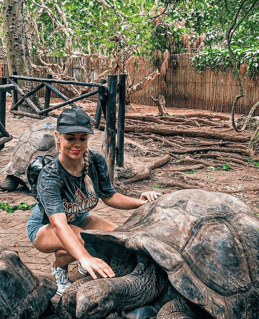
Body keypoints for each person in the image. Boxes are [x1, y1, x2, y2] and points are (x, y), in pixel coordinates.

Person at [26, 107, 162, 296]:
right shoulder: (50, 176)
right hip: (44, 226)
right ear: (58, 137)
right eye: (70, 138)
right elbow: (60, 225)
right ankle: (59, 267)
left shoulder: (96, 161)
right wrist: (84, 257)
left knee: (119, 239)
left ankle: (81, 258)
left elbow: (109, 196)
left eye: (82, 138)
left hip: (80, 218)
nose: (77, 144)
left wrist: (139, 203)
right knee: (83, 240)